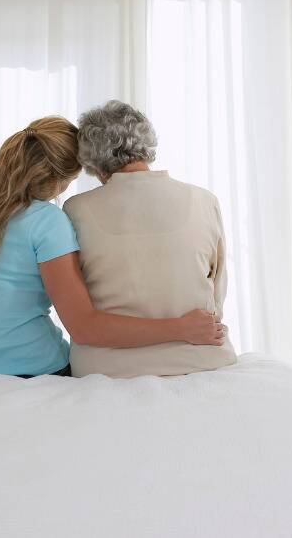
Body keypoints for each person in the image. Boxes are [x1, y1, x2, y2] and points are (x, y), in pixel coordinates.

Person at [0, 115, 225, 377]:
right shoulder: (47, 221)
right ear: (58, 179)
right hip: (35, 369)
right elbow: (84, 327)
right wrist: (182, 328)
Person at [63, 100, 238, 378]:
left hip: (107, 369)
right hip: (199, 357)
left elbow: (77, 306)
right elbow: (216, 292)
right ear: (148, 143)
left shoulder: (75, 209)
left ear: (90, 159)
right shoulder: (204, 200)